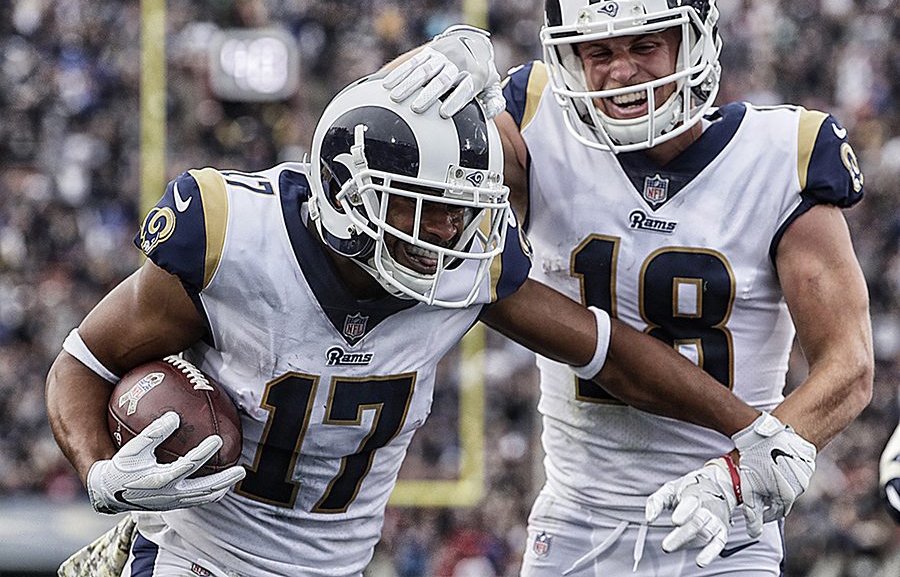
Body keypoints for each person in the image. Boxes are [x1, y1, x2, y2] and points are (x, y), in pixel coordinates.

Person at [46, 73, 783, 577]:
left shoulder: (464, 270)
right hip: (197, 557)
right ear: (348, 193)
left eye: (459, 207)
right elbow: (82, 361)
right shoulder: (231, 237)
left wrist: (751, 428)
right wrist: (101, 474)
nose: (448, 229)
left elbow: (607, 352)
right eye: (419, 205)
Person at [383, 0, 874, 574]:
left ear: (692, 40)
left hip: (723, 524)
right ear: (568, 58)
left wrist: (749, 470)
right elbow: (413, 180)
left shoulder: (784, 154)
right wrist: (428, 78)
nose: (621, 71)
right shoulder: (533, 123)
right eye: (599, 51)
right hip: (573, 526)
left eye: (644, 46)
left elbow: (849, 365)